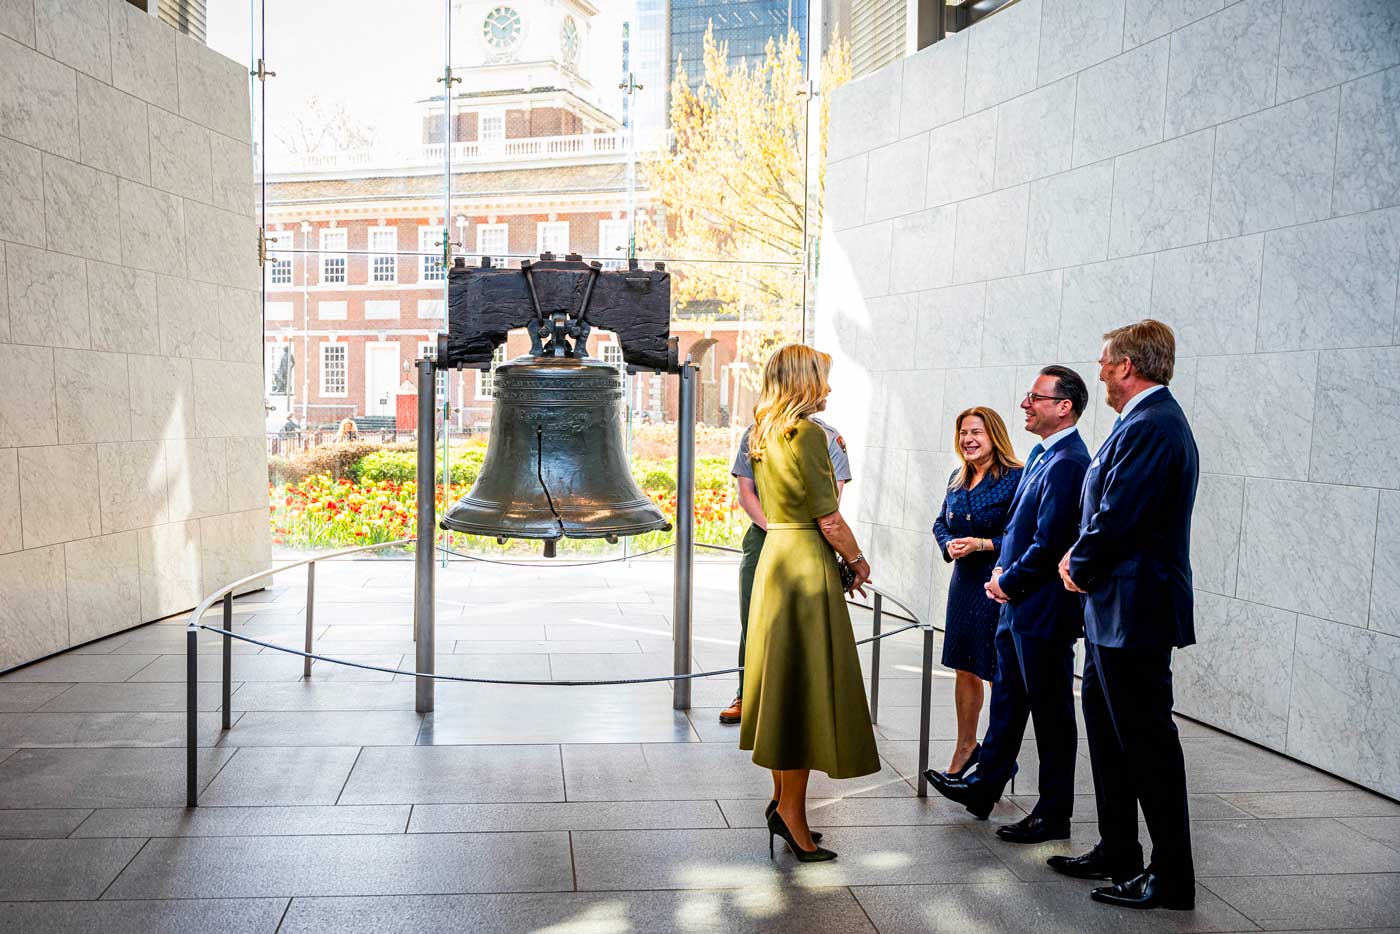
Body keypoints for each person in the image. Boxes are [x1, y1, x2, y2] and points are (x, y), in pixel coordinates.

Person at [1052, 320, 1199, 911]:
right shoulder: (1140, 421)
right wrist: (1081, 559)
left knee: (1146, 744)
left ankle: (1172, 877)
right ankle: (1119, 849)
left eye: (1103, 362)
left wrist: (1078, 562)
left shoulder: (1153, 423)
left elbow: (1120, 515)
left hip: (1135, 610)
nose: (1099, 372)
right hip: (1113, 609)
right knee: (1112, 736)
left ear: (1126, 366)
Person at [925, 367, 1091, 842]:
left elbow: (1051, 540)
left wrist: (1006, 580)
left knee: (1052, 716)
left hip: (1041, 608)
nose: (1025, 404)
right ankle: (983, 787)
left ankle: (1054, 813)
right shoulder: (1044, 455)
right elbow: (1021, 531)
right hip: (1015, 602)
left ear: (1064, 407)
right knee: (1009, 703)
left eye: (1035, 397)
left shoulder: (1069, 462)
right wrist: (1002, 575)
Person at [740, 343, 879, 864]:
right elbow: (829, 518)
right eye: (822, 376)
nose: (829, 386)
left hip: (776, 558)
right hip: (804, 564)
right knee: (802, 693)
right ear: (804, 380)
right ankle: (792, 816)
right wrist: (857, 561)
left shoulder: (762, 431)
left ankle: (783, 803)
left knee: (784, 688)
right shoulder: (810, 434)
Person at [721, 401, 852, 727]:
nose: (827, 391)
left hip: (808, 539)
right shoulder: (755, 433)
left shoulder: (829, 437)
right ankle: (747, 694)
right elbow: (745, 492)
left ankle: (805, 704)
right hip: (764, 536)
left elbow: (832, 500)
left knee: (806, 628)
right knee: (753, 620)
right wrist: (777, 528)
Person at [932, 407, 1023, 777]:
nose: (968, 439)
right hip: (963, 584)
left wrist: (982, 544)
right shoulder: (957, 477)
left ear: (994, 436)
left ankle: (1000, 757)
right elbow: (940, 522)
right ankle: (966, 747)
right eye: (963, 433)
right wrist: (948, 543)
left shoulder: (1015, 478)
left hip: (995, 583)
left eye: (976, 432)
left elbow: (1022, 536)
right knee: (964, 667)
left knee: (996, 671)